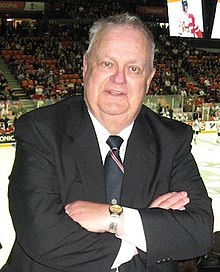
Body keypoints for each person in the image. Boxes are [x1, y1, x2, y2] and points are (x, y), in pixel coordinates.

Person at [1, 13, 213, 272]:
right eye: (107, 64)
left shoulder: (172, 140)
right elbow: (42, 235)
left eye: (133, 68)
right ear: (85, 66)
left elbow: (199, 232)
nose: (119, 79)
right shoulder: (40, 130)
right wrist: (142, 236)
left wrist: (114, 219)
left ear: (149, 78)